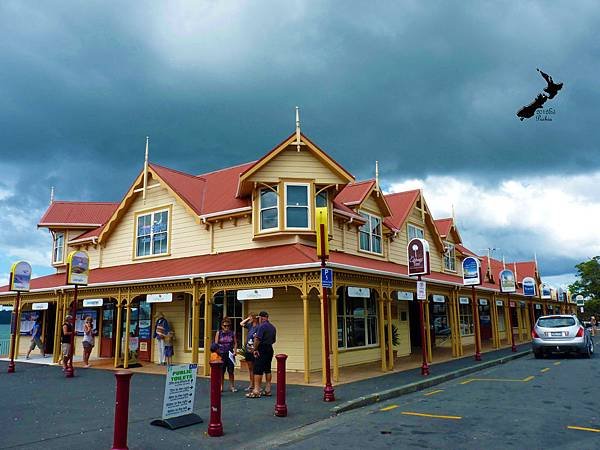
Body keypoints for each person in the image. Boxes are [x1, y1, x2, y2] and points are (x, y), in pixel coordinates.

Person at [247, 311, 276, 399]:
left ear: (261, 317)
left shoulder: (261, 326)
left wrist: (255, 349)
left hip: (262, 348)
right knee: (267, 369)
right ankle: (268, 389)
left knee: (257, 369)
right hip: (270, 348)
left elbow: (257, 339)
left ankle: (256, 390)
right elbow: (274, 340)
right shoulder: (273, 327)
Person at [214, 316, 238, 392]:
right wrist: (216, 353)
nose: (226, 327)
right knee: (221, 371)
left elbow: (235, 343)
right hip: (221, 354)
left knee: (231, 371)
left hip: (230, 354)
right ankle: (221, 386)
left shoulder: (232, 333)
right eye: (225, 326)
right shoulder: (219, 333)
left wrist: (235, 351)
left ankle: (232, 386)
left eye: (228, 326)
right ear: (222, 326)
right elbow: (215, 344)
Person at [239, 313, 259, 392]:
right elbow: (241, 323)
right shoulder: (250, 325)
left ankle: (257, 385)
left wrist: (255, 318)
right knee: (250, 368)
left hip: (255, 350)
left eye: (251, 317)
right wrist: (247, 318)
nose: (250, 319)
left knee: (256, 368)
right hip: (248, 350)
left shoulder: (258, 327)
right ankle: (251, 384)